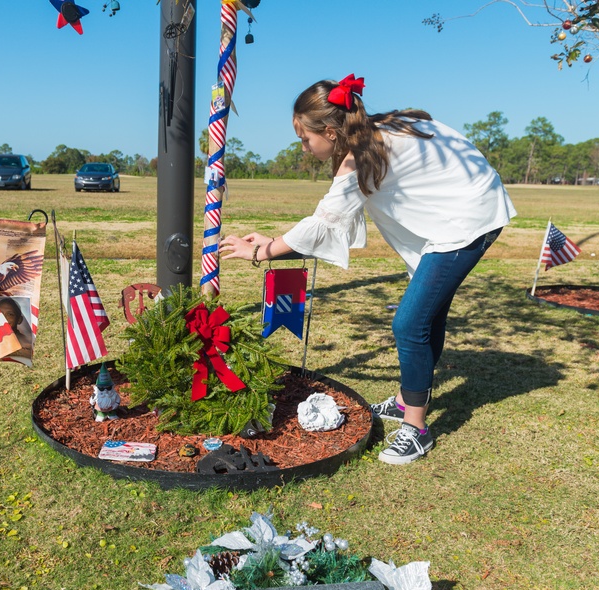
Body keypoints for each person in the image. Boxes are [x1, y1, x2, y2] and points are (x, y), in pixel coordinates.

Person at [220, 74, 515, 465]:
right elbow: (330, 219)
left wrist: (265, 251)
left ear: (329, 130)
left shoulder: (362, 154)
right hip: (459, 213)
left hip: (469, 221)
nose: (304, 147)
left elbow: (324, 223)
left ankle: (417, 430)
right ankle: (406, 400)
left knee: (410, 324)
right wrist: (273, 244)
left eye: (305, 139)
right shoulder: (376, 132)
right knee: (427, 316)